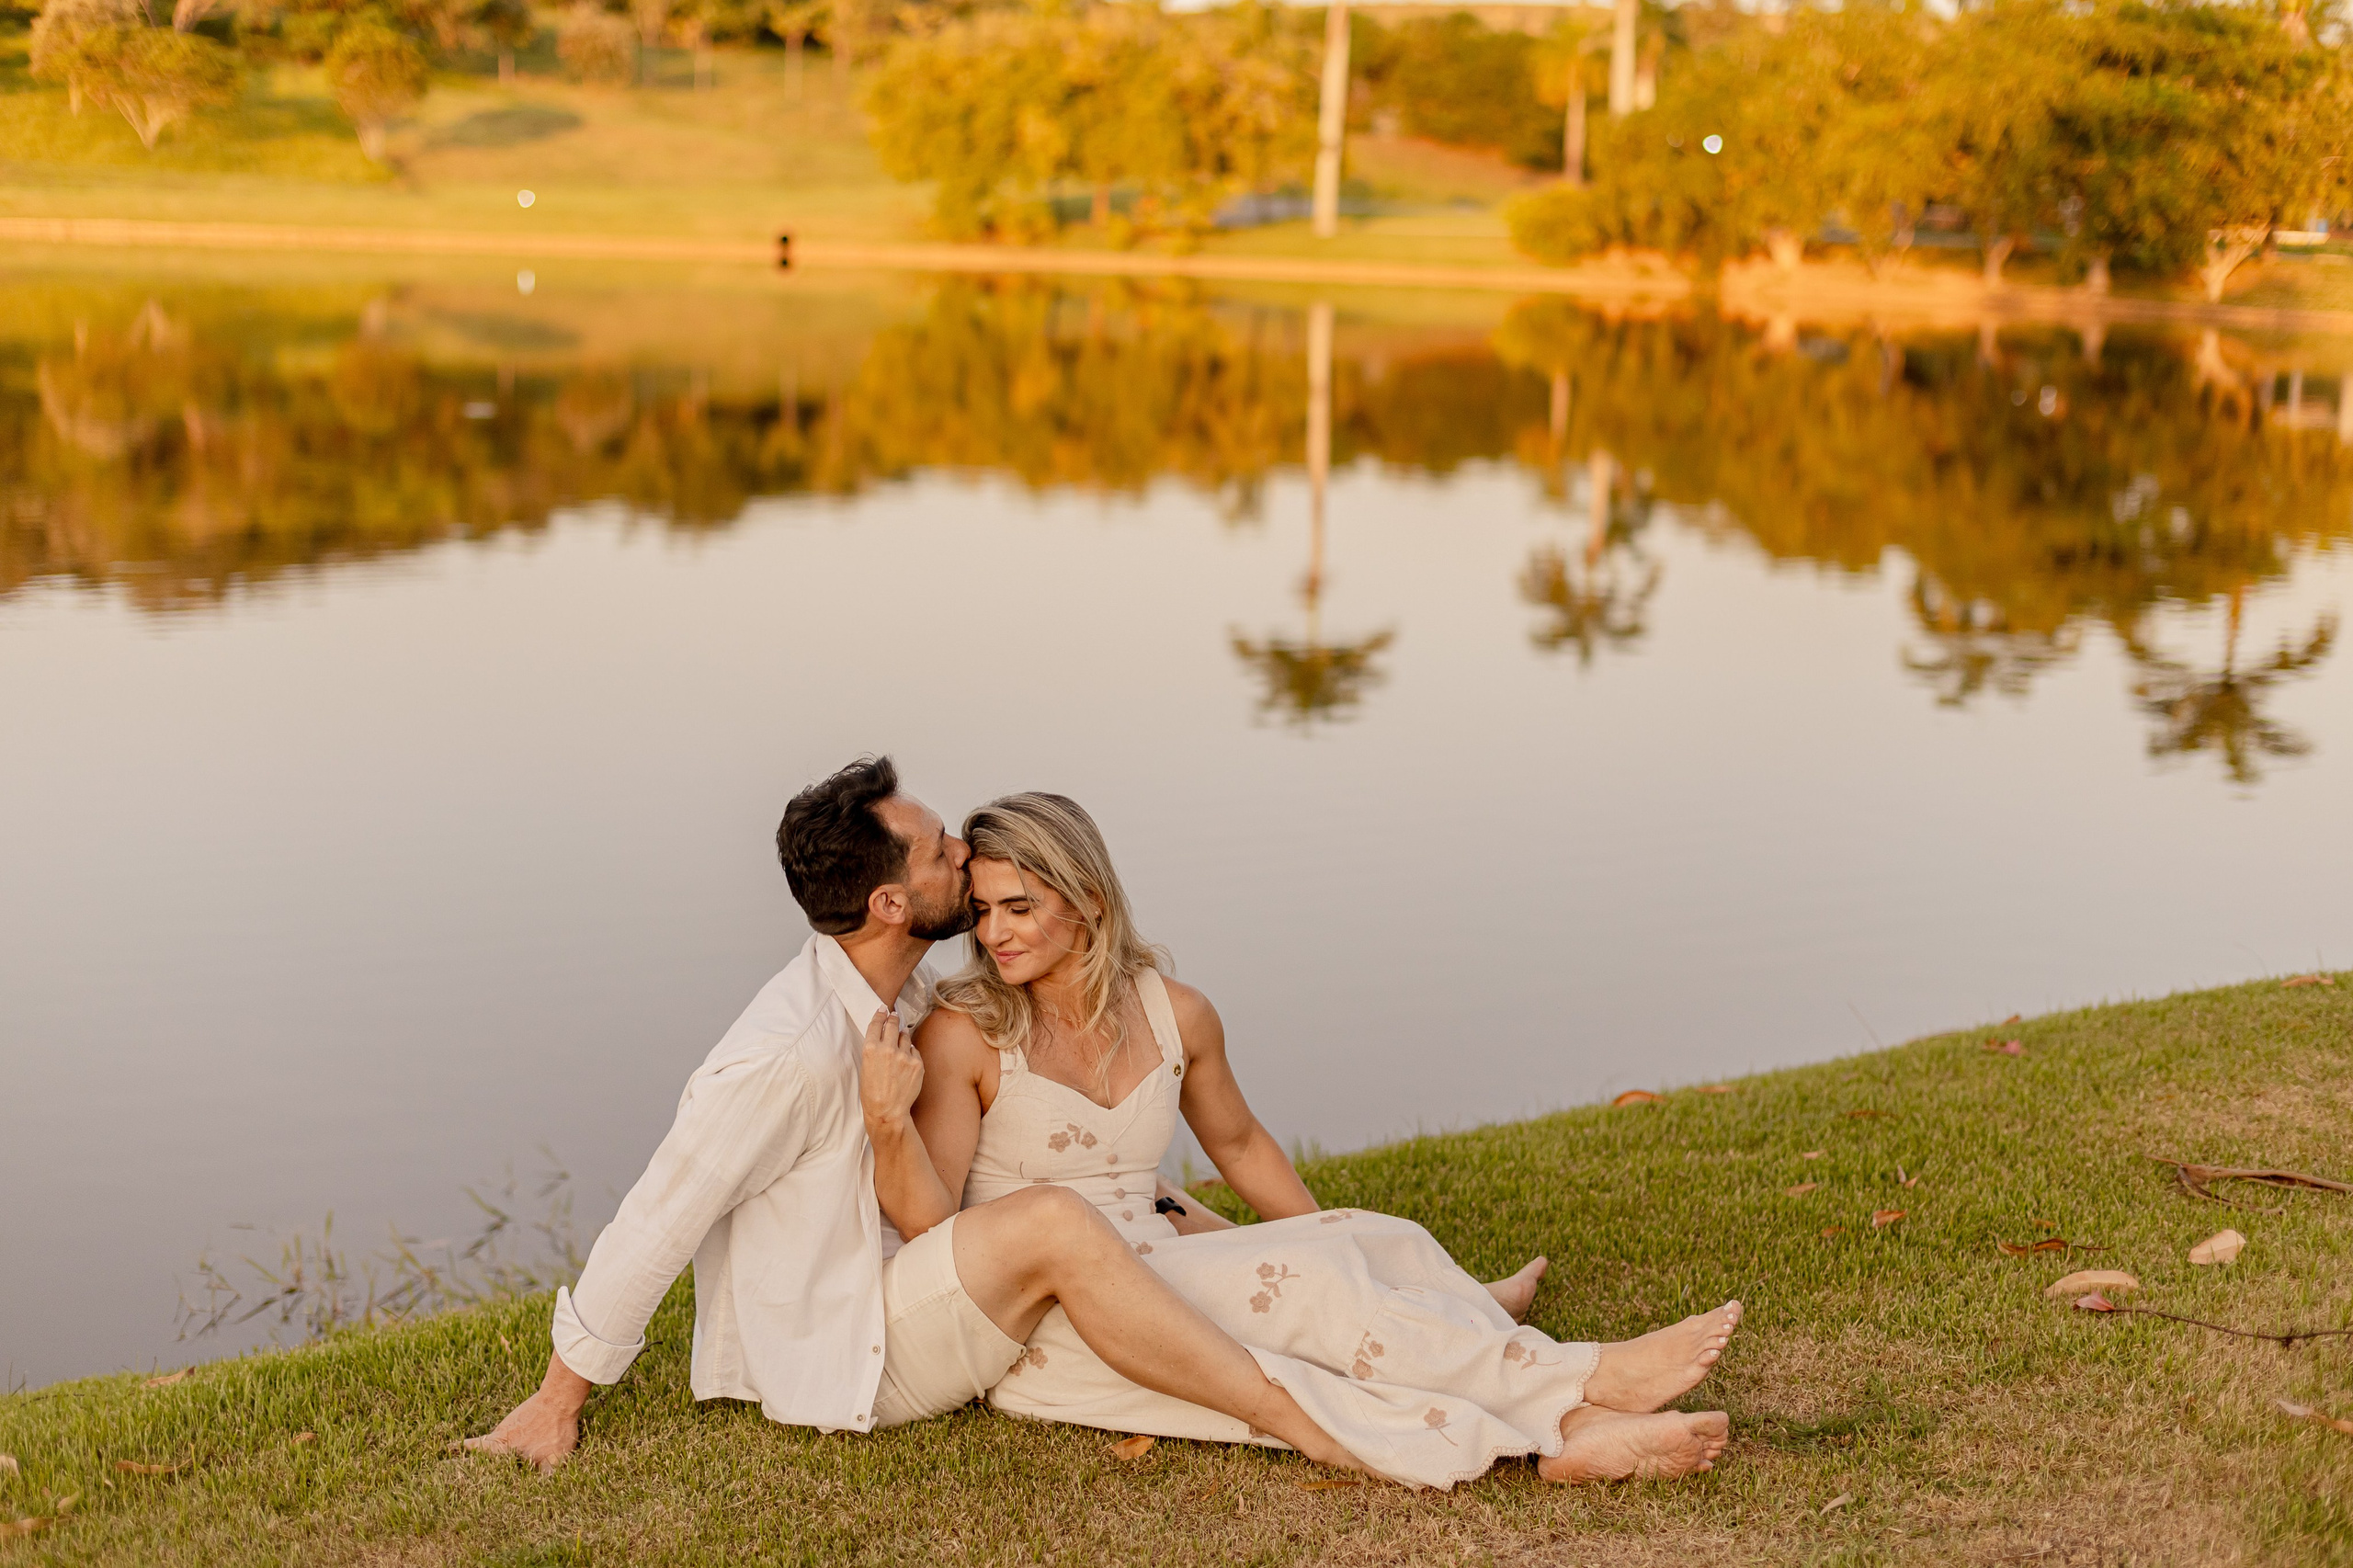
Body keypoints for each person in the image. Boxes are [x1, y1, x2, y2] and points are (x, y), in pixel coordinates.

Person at [464, 758, 1359, 1473]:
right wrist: (558, 1397)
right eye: (940, 850)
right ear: (891, 904)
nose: (964, 848)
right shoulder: (786, 1053)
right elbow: (659, 1218)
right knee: (1063, 1215)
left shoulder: (903, 989)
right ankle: (1288, 1407)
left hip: (932, 1272)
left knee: (1130, 1189)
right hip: (857, 1347)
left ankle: (1372, 1281)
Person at [867, 791, 1739, 1490]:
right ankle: (1585, 1390)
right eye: (983, 911)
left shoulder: (1177, 1013)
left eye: (1019, 907)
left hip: (1159, 1248)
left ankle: (1530, 1381)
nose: (993, 933)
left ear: (1089, 898)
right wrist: (886, 1123)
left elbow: (1240, 1145)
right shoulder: (967, 1033)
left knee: (1373, 1241)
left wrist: (1329, 1237)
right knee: (1322, 1294)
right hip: (1064, 1309)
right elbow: (937, 1226)